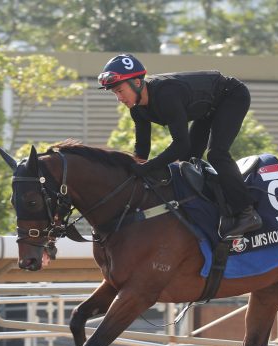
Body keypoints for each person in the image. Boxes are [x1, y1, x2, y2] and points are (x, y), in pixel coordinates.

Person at [98, 53, 262, 239]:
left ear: (136, 83)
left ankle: (246, 212)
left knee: (216, 154)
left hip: (231, 96)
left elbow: (180, 144)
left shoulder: (166, 95)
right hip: (207, 108)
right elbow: (142, 148)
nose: (118, 98)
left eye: (120, 91)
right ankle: (212, 208)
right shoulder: (136, 107)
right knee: (187, 162)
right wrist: (134, 172)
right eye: (114, 93)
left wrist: (148, 168)